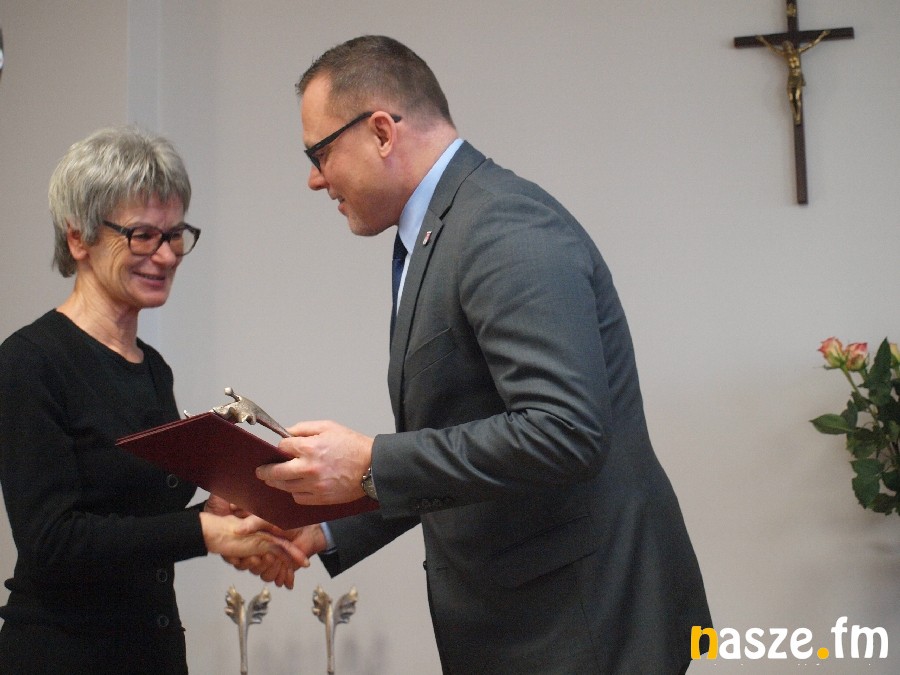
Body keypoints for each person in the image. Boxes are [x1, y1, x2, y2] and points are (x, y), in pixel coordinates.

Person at [254, 35, 712, 673]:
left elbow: (565, 431)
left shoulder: (501, 225)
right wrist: (330, 522)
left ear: (381, 132)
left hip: (584, 625)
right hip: (536, 620)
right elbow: (464, 436)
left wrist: (371, 462)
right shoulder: (444, 227)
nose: (314, 178)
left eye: (320, 152)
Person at [0, 127, 306, 674]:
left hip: (152, 648)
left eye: (175, 235)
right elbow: (51, 540)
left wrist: (215, 514)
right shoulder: (30, 362)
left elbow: (136, 522)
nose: (165, 255)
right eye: (142, 235)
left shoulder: (154, 368)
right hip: (63, 655)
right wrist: (203, 533)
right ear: (79, 238)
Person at [756, 30, 829, 125]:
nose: (787, 47)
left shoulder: (797, 52)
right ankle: (795, 115)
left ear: (791, 45)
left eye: (788, 45)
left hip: (798, 76)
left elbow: (811, 45)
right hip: (791, 77)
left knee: (797, 97)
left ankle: (798, 115)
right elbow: (772, 48)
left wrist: (822, 35)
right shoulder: (784, 54)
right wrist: (763, 40)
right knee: (790, 98)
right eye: (785, 46)